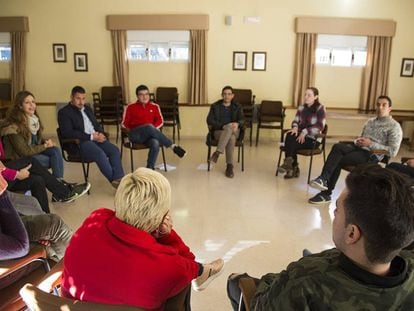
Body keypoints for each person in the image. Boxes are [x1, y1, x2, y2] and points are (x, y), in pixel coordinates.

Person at [227, 164, 414, 310]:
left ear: (352, 233)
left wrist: (272, 280)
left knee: (236, 282)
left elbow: (262, 304)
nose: (334, 211)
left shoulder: (305, 282)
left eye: (337, 208)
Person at [62, 168, 224, 310]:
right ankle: (206, 270)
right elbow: (189, 265)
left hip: (75, 305)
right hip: (164, 278)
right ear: (159, 218)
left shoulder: (96, 218)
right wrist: (167, 236)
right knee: (184, 282)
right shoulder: (168, 266)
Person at [308, 95, 402, 204]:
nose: (380, 107)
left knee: (338, 160)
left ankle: (325, 193)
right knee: (337, 147)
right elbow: (361, 137)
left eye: (384, 105)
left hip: (371, 155)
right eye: (378, 104)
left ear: (390, 108)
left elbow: (393, 151)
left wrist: (371, 144)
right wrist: (357, 141)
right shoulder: (370, 122)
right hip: (358, 148)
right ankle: (323, 179)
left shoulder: (394, 127)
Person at [58, 86, 124, 188]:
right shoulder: (64, 112)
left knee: (114, 150)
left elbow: (96, 125)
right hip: (79, 143)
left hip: (95, 139)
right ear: (71, 97)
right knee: (99, 153)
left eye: (83, 98)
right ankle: (118, 184)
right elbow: (68, 133)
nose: (81, 102)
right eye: (78, 98)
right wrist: (91, 137)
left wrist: (101, 133)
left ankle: (119, 179)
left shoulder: (87, 109)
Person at [1, 139, 90, 213]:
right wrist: (16, 174)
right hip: (3, 178)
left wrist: (45, 142)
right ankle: (63, 193)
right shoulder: (11, 129)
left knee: (37, 180)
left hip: (4, 175)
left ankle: (47, 220)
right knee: (31, 161)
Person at [0, 91, 64, 179]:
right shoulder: (13, 127)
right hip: (19, 158)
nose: (32, 105)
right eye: (27, 102)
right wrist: (44, 146)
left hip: (33, 151)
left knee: (55, 150)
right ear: (20, 106)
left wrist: (46, 142)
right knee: (52, 160)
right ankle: (59, 185)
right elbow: (24, 151)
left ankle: (59, 182)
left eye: (33, 102)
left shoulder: (33, 120)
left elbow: (36, 140)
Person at [122, 85, 186, 170]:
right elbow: (123, 124)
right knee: (149, 126)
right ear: (137, 96)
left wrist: (152, 130)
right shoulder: (130, 107)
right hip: (135, 135)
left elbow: (160, 121)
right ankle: (172, 146)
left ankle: (150, 167)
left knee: (155, 142)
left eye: (146, 94)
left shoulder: (155, 106)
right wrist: (127, 132)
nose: (144, 97)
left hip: (149, 135)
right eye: (141, 94)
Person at [277, 87, 326, 178]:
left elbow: (320, 126)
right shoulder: (301, 108)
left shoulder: (320, 108)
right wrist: (295, 128)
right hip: (300, 136)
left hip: (313, 139)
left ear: (315, 97)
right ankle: (290, 165)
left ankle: (292, 168)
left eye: (309, 95)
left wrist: (304, 132)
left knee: (291, 143)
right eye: (305, 95)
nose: (306, 97)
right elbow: (295, 121)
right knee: (290, 134)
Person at [206, 86, 244, 178]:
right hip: (219, 131)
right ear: (222, 95)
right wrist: (223, 126)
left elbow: (242, 119)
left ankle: (217, 153)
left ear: (232, 96)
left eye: (229, 94)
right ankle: (229, 166)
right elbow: (209, 120)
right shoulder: (215, 106)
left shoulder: (237, 106)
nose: (227, 96)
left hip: (235, 130)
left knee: (230, 128)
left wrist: (237, 124)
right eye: (225, 94)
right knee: (231, 137)